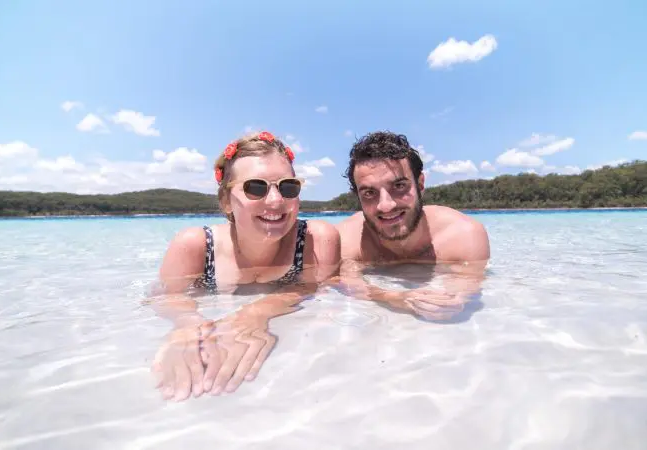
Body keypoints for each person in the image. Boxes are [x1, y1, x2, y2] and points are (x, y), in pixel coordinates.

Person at [149, 131, 340, 401]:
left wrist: (258, 312)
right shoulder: (195, 246)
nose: (275, 201)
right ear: (226, 201)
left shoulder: (316, 239)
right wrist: (187, 323)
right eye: (255, 188)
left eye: (288, 187)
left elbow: (316, 288)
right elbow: (165, 297)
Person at [335, 131, 490, 322]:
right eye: (369, 193)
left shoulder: (463, 235)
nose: (385, 205)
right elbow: (346, 285)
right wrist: (393, 298)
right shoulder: (345, 239)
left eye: (399, 186)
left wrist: (456, 300)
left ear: (420, 184)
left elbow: (468, 288)